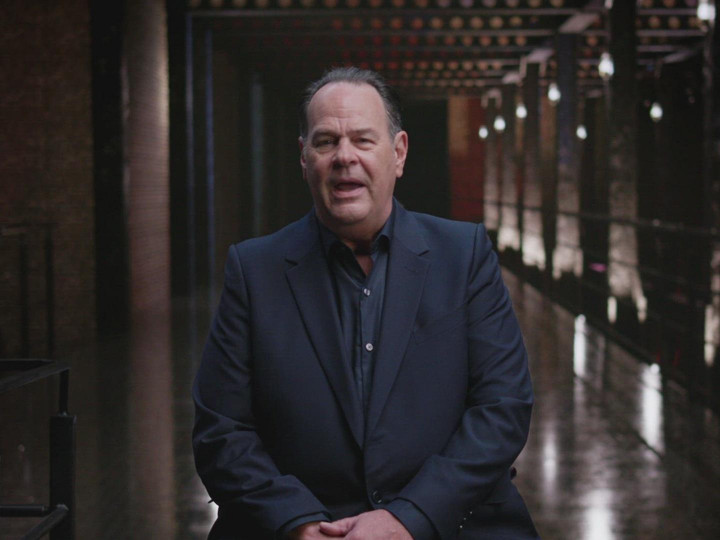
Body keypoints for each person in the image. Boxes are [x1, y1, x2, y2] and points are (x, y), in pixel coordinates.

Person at [192, 67, 539, 540]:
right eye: (326, 141)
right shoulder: (253, 270)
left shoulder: (465, 255)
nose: (344, 157)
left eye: (362, 140)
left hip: (449, 523)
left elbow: (503, 407)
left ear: (398, 153)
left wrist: (409, 517)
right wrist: (296, 523)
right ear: (304, 158)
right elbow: (221, 430)